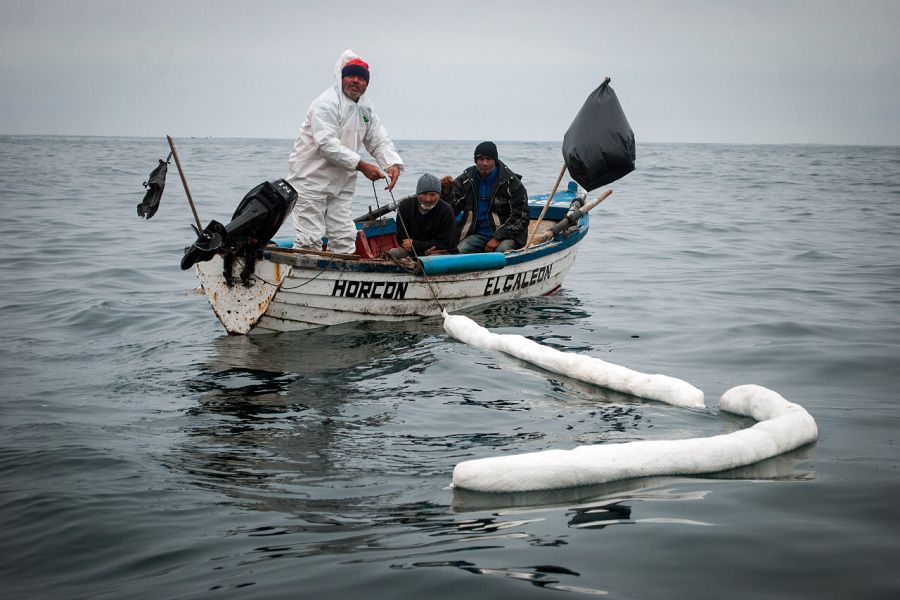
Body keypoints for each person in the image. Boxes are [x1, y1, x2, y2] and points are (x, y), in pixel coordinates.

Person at [287, 49, 403, 254]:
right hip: (311, 181)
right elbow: (327, 145)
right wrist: (362, 166)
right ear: (342, 77)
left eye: (361, 78)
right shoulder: (326, 103)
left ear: (367, 83)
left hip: (341, 184)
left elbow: (378, 139)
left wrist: (391, 163)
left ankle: (338, 279)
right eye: (351, 76)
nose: (356, 81)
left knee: (344, 237)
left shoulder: (366, 108)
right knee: (309, 239)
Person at [440, 141, 529, 254]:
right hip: (477, 234)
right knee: (458, 252)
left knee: (501, 253)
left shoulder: (511, 182)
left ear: (495, 161)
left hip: (507, 236)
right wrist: (446, 191)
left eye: (489, 159)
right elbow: (451, 210)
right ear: (475, 160)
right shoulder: (466, 179)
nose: (485, 163)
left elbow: (522, 217)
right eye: (481, 159)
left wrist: (497, 237)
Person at [389, 174, 457, 259]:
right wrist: (422, 252)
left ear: (439, 195)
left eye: (432, 194)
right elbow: (402, 239)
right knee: (394, 253)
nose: (428, 199)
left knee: (432, 259)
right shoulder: (405, 206)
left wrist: (414, 244)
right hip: (414, 252)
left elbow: (445, 243)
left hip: (440, 252)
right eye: (424, 194)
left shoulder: (446, 210)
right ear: (417, 193)